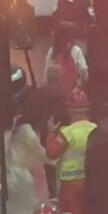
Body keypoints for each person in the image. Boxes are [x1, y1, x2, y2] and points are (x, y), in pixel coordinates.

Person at [45, 88, 97, 214]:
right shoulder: (95, 129)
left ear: (69, 110)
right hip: (91, 181)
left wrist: (50, 133)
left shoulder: (67, 133)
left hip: (70, 184)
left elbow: (52, 153)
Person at [6, 105, 54, 214]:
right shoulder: (26, 131)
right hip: (20, 181)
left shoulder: (6, 132)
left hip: (5, 179)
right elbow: (45, 155)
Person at [37, 65, 70, 198]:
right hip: (63, 128)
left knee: (49, 162)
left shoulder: (40, 91)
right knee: (64, 159)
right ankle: (64, 187)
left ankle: (52, 192)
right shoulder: (66, 90)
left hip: (46, 129)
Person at [44, 26, 88, 92]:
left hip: (72, 91)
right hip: (56, 92)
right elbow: (47, 73)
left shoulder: (75, 51)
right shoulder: (52, 51)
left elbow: (83, 73)